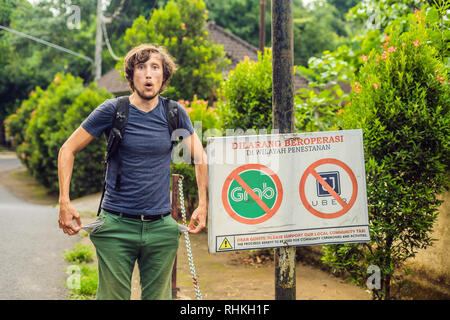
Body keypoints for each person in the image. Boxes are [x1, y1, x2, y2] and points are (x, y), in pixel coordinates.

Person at [57, 44, 208, 300]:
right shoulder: (113, 110)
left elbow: (200, 157)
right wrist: (64, 200)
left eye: (155, 67)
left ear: (163, 76)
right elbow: (67, 149)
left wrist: (203, 204)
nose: (148, 74)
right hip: (117, 225)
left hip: (161, 229)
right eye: (141, 67)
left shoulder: (174, 113)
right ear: (131, 75)